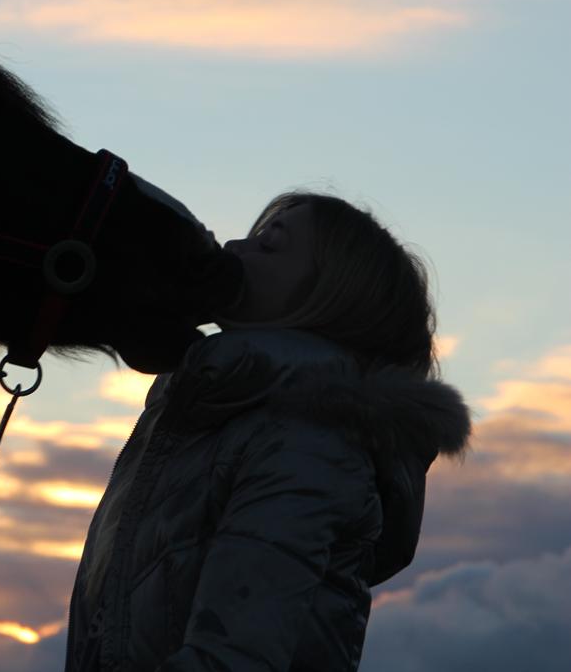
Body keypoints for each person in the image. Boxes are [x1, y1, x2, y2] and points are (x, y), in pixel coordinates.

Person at [64, 191, 473, 672]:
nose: (235, 247)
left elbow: (234, 658)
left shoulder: (309, 444)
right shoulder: (206, 414)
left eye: (269, 246)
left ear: (330, 297)